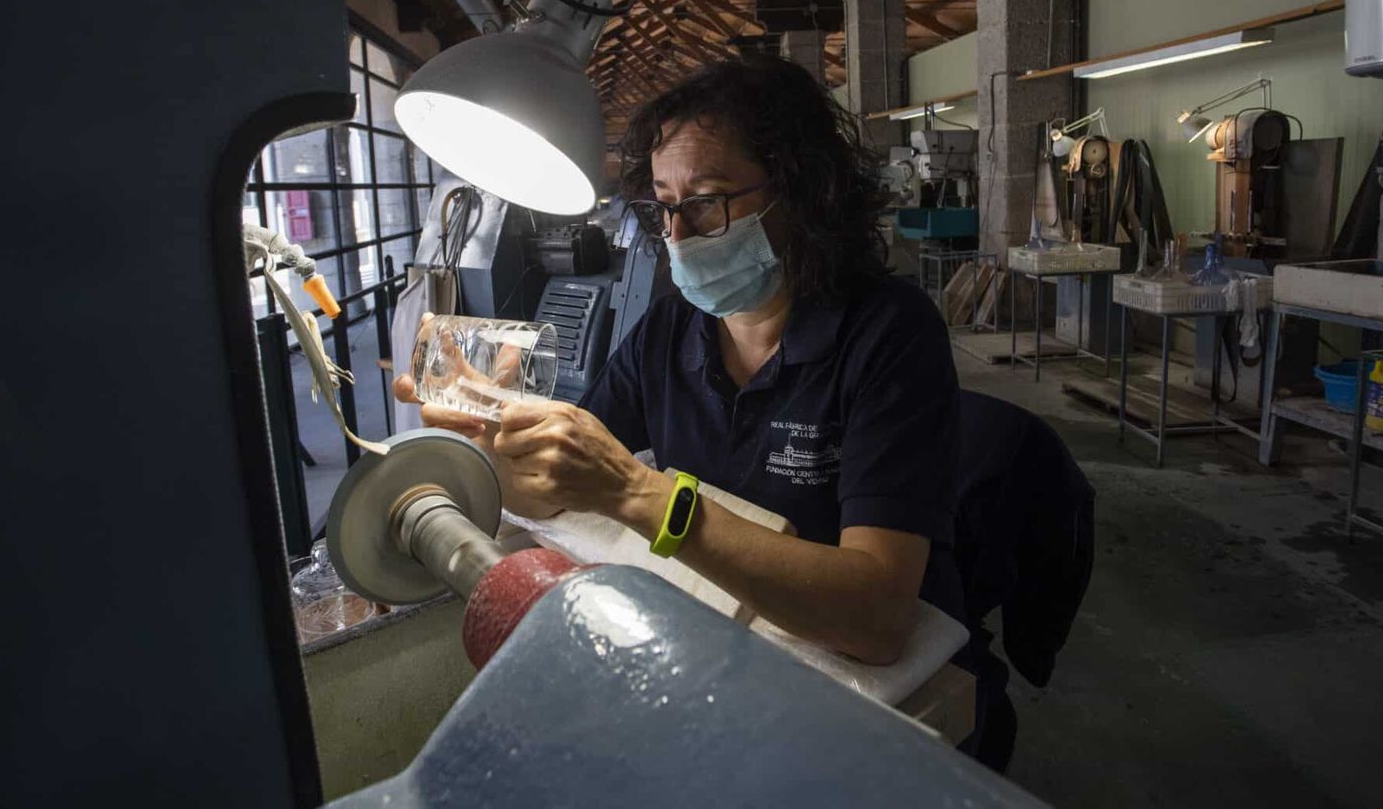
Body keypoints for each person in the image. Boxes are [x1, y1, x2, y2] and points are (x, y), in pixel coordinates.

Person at [394, 56, 961, 664]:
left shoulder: (889, 334)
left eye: (707, 202)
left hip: (851, 675)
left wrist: (639, 492)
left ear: (801, 195)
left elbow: (876, 620)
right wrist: (498, 444)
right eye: (664, 206)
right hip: (717, 636)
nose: (678, 237)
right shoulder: (669, 331)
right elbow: (556, 497)